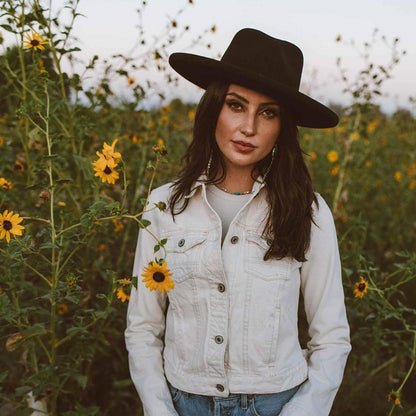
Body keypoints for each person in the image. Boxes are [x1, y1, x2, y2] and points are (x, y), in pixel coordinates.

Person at [125, 28, 351, 416]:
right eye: (236, 105)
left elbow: (331, 337)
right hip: (183, 404)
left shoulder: (308, 211)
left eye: (268, 113)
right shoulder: (163, 205)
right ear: (213, 109)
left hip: (278, 405)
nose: (249, 127)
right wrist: (159, 409)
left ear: (283, 126)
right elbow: (143, 327)